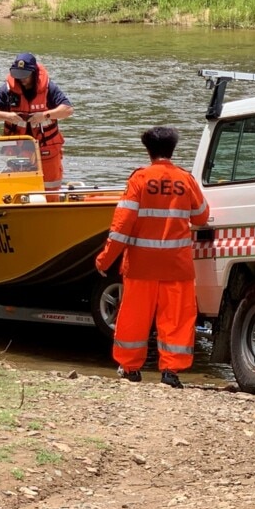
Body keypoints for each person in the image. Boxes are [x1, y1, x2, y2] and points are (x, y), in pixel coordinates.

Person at [95, 126, 210, 388]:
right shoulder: (185, 179)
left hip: (141, 266)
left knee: (134, 318)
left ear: (148, 150)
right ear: (172, 149)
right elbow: (202, 216)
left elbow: (121, 227)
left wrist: (104, 259)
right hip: (177, 266)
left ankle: (131, 368)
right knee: (177, 320)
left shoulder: (140, 179)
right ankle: (171, 373)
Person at [0, 52, 74, 192]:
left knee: (50, 188)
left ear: (34, 73)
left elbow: (67, 110)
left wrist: (45, 115)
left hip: (47, 150)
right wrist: (7, 115)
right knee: (17, 190)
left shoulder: (50, 89)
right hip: (17, 151)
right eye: (18, 75)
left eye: (25, 76)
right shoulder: (7, 90)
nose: (21, 80)